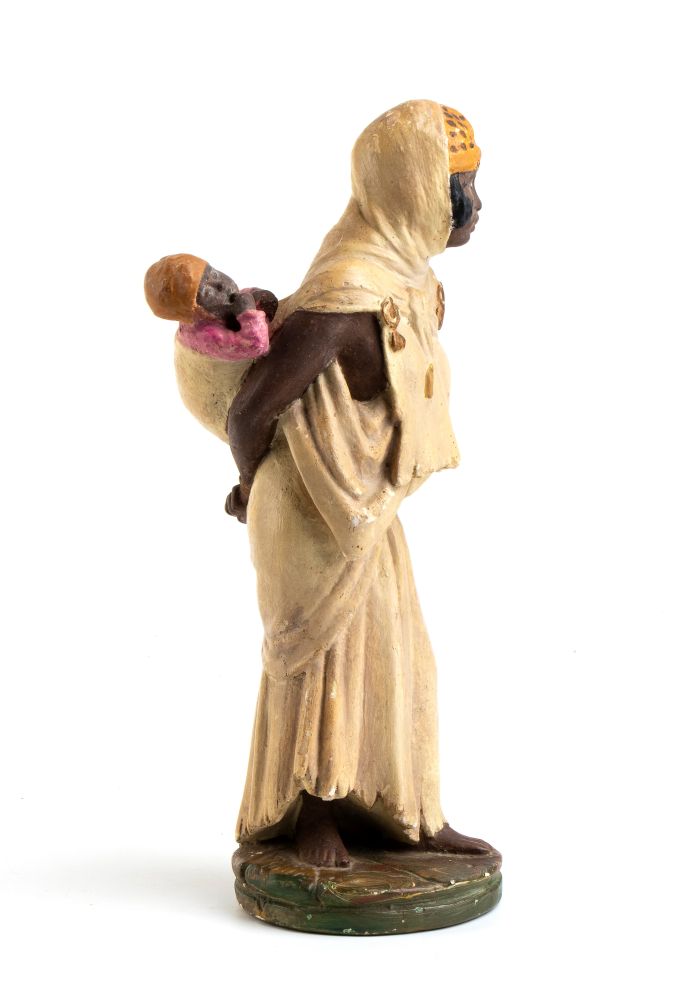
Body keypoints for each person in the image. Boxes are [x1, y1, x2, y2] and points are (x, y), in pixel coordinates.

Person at [215, 100, 495, 868]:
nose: (475, 205)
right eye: (462, 186)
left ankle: (408, 814)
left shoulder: (411, 282)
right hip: (310, 508)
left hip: (370, 507)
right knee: (318, 662)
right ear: (415, 190)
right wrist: (250, 486)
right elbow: (250, 411)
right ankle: (311, 816)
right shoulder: (346, 297)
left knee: (396, 661)